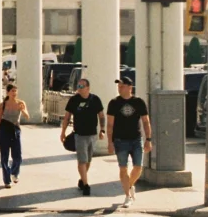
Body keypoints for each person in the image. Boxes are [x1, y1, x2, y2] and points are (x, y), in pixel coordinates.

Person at [107, 76, 152, 208]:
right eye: (118, 86)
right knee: (123, 168)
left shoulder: (139, 102)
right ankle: (127, 196)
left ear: (129, 87)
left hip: (136, 139)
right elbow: (110, 124)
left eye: (122, 86)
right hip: (120, 140)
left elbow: (145, 121)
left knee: (138, 167)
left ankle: (130, 184)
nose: (119, 88)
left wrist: (148, 139)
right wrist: (109, 142)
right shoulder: (114, 103)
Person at [60, 77, 105, 196]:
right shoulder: (74, 100)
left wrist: (102, 129)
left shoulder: (95, 99)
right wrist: (63, 131)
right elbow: (67, 116)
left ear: (88, 88)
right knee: (82, 160)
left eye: (81, 86)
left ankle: (82, 179)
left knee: (88, 160)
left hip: (92, 134)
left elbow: (101, 115)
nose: (79, 88)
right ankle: (86, 185)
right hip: (79, 135)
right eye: (78, 86)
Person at [0, 84, 29, 188]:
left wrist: (23, 110)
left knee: (18, 157)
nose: (14, 93)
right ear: (7, 92)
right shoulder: (3, 105)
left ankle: (14, 172)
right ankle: (7, 180)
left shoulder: (21, 103)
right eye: (12, 91)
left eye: (15, 91)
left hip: (15, 130)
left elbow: (27, 116)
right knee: (4, 157)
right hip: (4, 131)